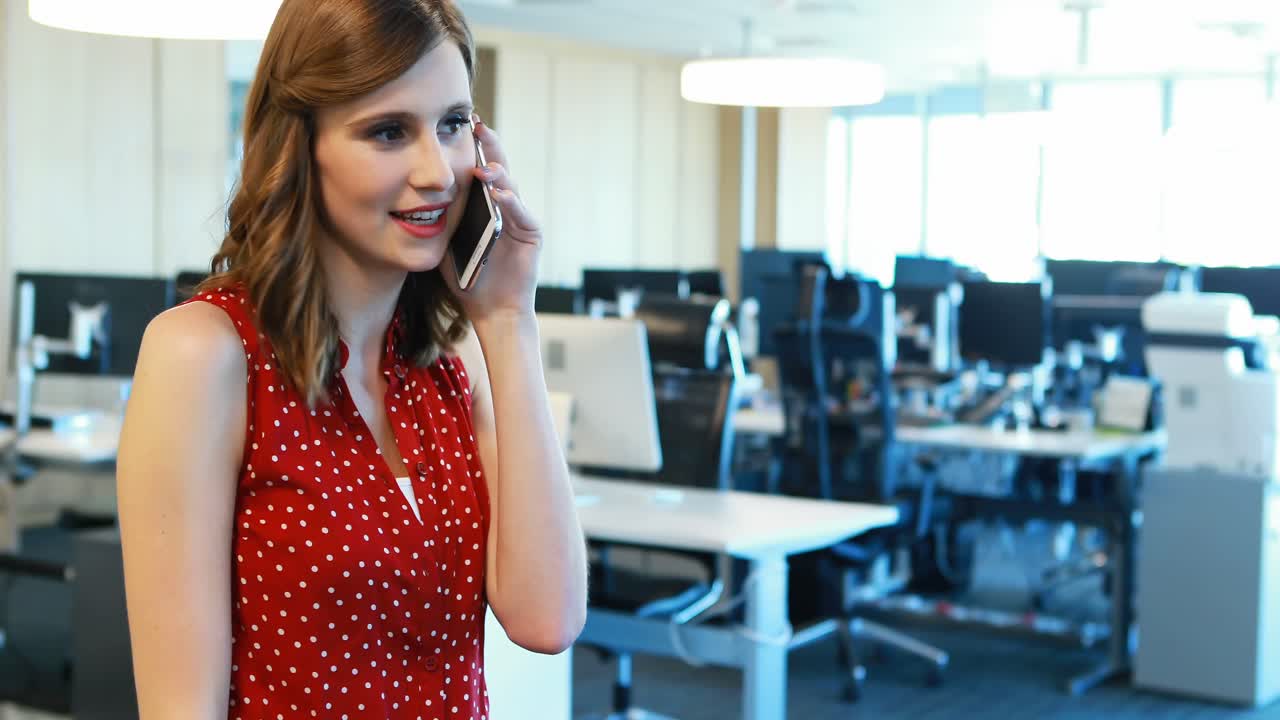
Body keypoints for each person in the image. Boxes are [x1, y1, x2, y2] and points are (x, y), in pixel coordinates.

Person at [115, 0, 588, 717]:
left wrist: (507, 317)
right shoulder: (207, 354)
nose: (437, 172)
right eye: (389, 131)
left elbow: (547, 619)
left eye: (453, 124)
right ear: (300, 146)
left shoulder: (450, 362)